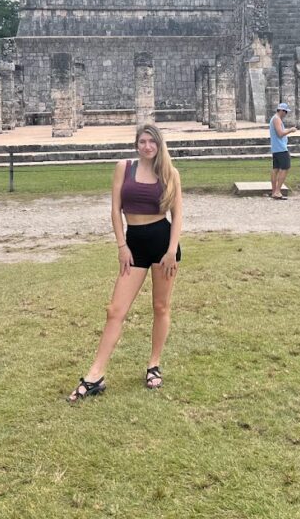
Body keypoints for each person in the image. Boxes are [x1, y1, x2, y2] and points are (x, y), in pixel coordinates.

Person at [68, 123, 183, 402]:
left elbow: (178, 215)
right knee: (115, 310)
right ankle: (96, 374)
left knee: (160, 306)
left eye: (151, 142)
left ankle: (153, 365)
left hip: (162, 242)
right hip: (133, 245)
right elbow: (115, 210)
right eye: (142, 141)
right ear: (136, 144)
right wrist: (122, 246)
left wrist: (170, 251)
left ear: (159, 144)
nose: (147, 146)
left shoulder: (169, 172)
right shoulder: (124, 167)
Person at [269, 102, 297, 200]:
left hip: (276, 148)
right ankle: (277, 191)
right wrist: (290, 130)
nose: (285, 114)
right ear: (280, 110)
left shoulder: (275, 119)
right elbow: (280, 133)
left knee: (276, 169)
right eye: (285, 111)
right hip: (281, 148)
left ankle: (274, 191)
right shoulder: (276, 119)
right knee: (285, 168)